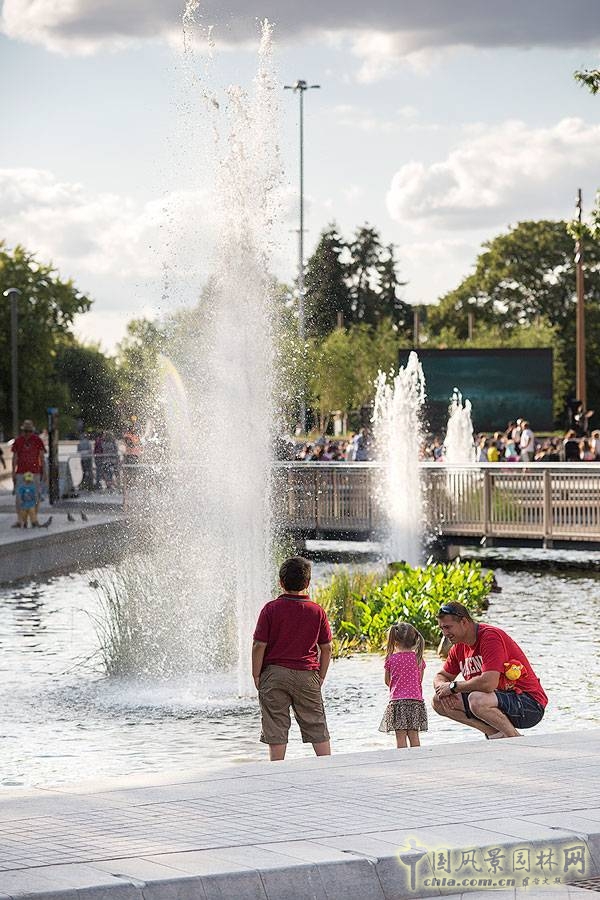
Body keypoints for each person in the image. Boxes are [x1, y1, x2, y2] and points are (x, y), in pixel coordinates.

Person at [252, 556, 332, 761]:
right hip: (307, 674)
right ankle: (328, 765)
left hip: (274, 673)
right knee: (316, 723)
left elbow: (259, 645)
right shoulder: (317, 611)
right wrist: (321, 676)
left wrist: (256, 674)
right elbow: (326, 648)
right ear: (307, 583)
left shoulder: (270, 609)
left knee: (275, 725)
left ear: (281, 582)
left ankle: (277, 768)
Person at [432, 601, 547, 739]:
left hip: (529, 703)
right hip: (493, 700)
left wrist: (452, 687)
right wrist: (442, 688)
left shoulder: (490, 637)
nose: (445, 633)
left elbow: (488, 684)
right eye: (442, 628)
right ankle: (496, 734)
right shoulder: (458, 647)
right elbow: (442, 675)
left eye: (448, 627)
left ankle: (514, 739)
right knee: (438, 701)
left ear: (464, 622)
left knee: (477, 699)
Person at [379, 622, 428, 749]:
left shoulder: (391, 659)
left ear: (395, 641)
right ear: (414, 640)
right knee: (414, 736)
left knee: (400, 738)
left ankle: (404, 761)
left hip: (397, 703)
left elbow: (387, 681)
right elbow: (419, 681)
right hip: (415, 702)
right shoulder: (418, 659)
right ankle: (418, 759)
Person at [11, 420, 45, 528]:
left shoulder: (37, 440)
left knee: (36, 495)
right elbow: (15, 457)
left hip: (34, 472)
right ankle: (20, 520)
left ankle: (34, 519)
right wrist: (13, 471)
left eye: (29, 431)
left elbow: (42, 457)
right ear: (23, 431)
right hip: (21, 472)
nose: (27, 433)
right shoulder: (18, 441)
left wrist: (44, 472)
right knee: (19, 496)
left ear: (32, 431)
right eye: (26, 431)